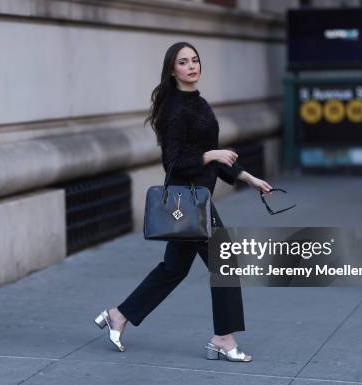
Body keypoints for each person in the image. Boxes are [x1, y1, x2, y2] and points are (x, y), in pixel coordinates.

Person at [94, 42, 272, 362]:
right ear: (172, 69)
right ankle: (223, 338)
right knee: (225, 263)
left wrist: (248, 178)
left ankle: (119, 315)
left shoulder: (198, 103)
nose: (192, 66)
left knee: (173, 269)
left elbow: (214, 155)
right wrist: (211, 154)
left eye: (195, 60)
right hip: (187, 198)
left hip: (194, 198)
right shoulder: (174, 109)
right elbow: (174, 161)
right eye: (183, 62)